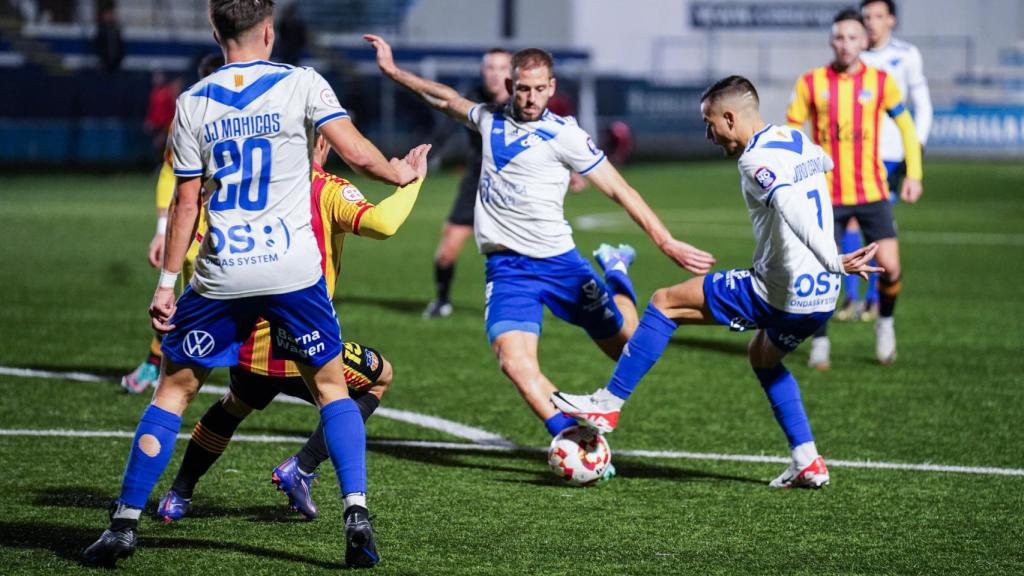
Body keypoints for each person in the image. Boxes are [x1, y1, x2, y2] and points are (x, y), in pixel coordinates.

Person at [83, 0, 420, 568]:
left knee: (173, 391)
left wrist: (167, 284)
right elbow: (357, 152)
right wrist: (401, 172)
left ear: (216, 31)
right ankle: (356, 513)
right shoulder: (302, 83)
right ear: (268, 30)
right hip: (293, 269)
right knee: (335, 389)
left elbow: (188, 201)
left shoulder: (192, 103)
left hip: (223, 271)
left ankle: (123, 524)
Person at [364, 34, 714, 452]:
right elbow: (443, 98)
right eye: (523, 89)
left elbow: (621, 191)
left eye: (539, 89)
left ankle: (617, 273)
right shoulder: (489, 119)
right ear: (511, 86)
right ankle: (574, 440)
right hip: (508, 271)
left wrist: (666, 241)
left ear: (551, 88)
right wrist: (392, 70)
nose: (530, 98)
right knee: (513, 362)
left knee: (628, 350)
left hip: (562, 265)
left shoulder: (565, 135)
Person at [552, 76, 882, 488]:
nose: (709, 135)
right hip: (822, 297)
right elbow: (826, 165)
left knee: (665, 301)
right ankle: (807, 460)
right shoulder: (795, 138)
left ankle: (608, 403)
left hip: (781, 290)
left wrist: (832, 257)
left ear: (730, 118)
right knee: (763, 357)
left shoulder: (753, 160)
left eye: (710, 124)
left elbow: (789, 203)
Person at [157, 134, 428, 522]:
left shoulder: (243, 190)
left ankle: (177, 494)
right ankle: (301, 467)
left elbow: (193, 257)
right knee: (379, 378)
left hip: (248, 344)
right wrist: (413, 181)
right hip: (305, 341)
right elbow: (382, 224)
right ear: (322, 141)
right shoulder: (326, 188)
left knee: (234, 404)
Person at [786, 8, 923, 369]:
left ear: (864, 41)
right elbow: (791, 129)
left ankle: (885, 324)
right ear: (831, 41)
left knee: (891, 268)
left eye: (852, 37)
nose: (844, 45)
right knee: (819, 276)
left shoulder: (880, 81)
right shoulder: (811, 82)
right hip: (825, 196)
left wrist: (914, 174)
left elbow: (907, 127)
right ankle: (820, 341)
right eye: (838, 38)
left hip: (872, 191)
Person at [122, 54, 225, 395]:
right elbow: (170, 173)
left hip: (242, 230)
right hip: (195, 230)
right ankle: (159, 366)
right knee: (181, 306)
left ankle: (267, 371)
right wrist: (161, 229)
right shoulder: (190, 117)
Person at [832, 0, 932, 320]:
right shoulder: (853, 55)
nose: (871, 23)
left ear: (891, 19)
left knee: (877, 228)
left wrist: (917, 147)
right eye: (867, 17)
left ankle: (875, 298)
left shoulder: (906, 55)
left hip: (890, 155)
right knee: (848, 221)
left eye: (878, 16)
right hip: (853, 154)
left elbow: (922, 105)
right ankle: (850, 298)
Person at [423, 48, 512, 319]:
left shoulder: (523, 105)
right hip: (475, 181)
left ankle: (511, 306)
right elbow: (445, 127)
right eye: (490, 68)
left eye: (501, 68)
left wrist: (572, 173)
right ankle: (442, 301)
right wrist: (426, 157)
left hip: (510, 186)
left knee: (510, 254)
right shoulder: (472, 99)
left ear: (511, 74)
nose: (495, 75)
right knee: (446, 252)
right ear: (482, 71)